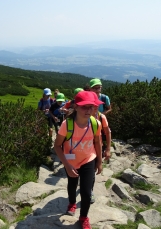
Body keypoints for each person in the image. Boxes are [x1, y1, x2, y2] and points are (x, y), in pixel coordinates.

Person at [54, 91, 102, 229]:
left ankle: (83, 217)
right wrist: (67, 165)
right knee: (72, 184)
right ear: (76, 107)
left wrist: (99, 161)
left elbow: (98, 142)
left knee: (87, 192)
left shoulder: (95, 123)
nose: (88, 110)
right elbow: (57, 146)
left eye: (91, 107)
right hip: (71, 161)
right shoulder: (67, 125)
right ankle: (72, 203)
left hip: (88, 159)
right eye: (84, 107)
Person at [90, 94, 112, 204]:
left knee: (92, 171)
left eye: (97, 106)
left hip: (96, 148)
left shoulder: (101, 117)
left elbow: (107, 133)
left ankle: (89, 191)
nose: (96, 107)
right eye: (94, 105)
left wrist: (108, 149)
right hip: (83, 150)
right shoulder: (81, 117)